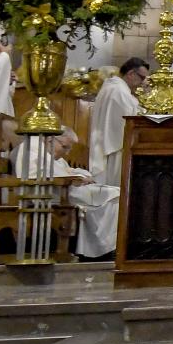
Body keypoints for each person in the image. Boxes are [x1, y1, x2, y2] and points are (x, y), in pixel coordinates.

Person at [48, 131, 120, 260]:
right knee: (115, 197)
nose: (67, 152)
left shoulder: (55, 157)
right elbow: (60, 176)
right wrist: (78, 177)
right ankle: (104, 248)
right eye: (65, 147)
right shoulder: (40, 156)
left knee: (117, 194)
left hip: (71, 189)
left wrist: (80, 175)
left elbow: (70, 170)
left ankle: (108, 246)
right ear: (51, 140)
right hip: (62, 193)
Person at [89, 58, 149, 189]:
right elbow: (129, 121)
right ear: (131, 74)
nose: (143, 82)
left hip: (110, 144)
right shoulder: (119, 91)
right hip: (116, 147)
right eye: (142, 77)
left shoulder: (114, 87)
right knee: (116, 188)